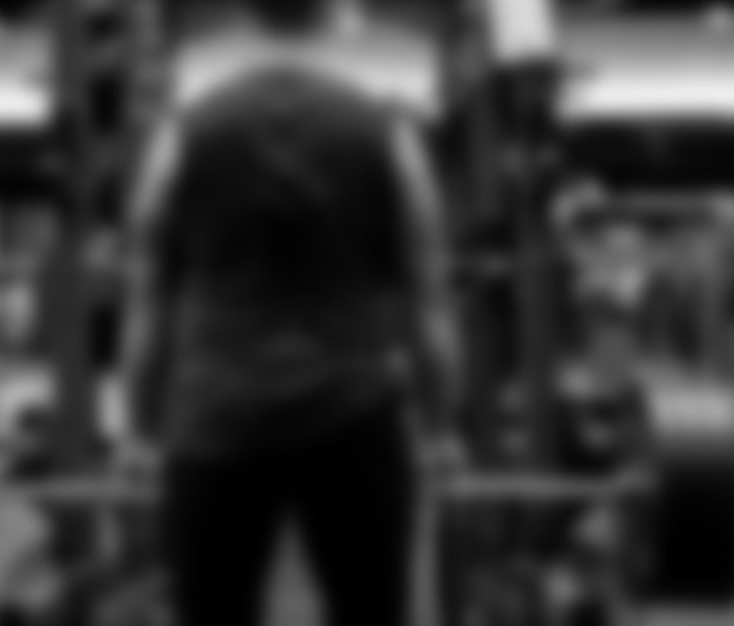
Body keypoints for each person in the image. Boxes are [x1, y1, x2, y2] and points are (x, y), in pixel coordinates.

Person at [111, 65, 467, 626]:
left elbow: (147, 299)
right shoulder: (388, 134)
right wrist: (441, 430)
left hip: (217, 416)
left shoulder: (179, 136)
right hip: (352, 413)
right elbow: (430, 300)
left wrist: (137, 431)